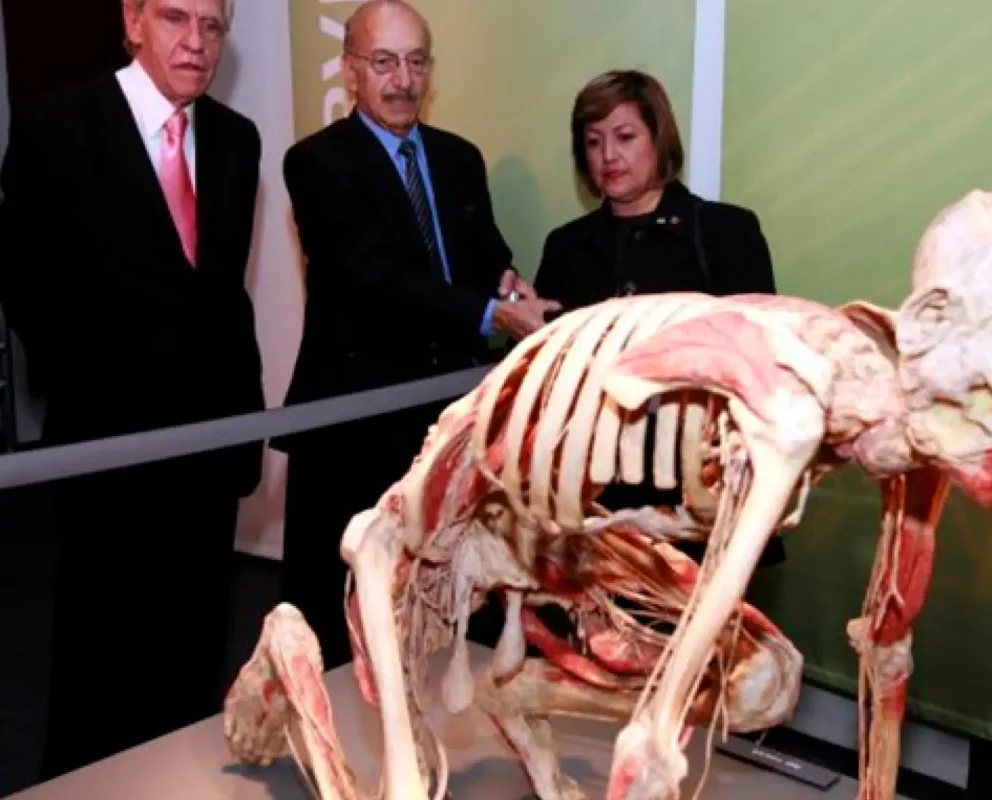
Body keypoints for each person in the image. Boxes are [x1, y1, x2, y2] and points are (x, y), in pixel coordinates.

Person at [0, 0, 265, 779]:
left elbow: (222, 298)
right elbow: (28, 289)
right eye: (176, 19)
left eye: (212, 27)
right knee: (101, 666)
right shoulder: (58, 127)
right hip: (109, 455)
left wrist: (236, 426)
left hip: (210, 449)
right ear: (134, 20)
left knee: (193, 654)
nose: (196, 42)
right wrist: (109, 395)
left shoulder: (236, 139)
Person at [272, 0, 560, 670]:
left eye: (416, 61)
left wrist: (510, 288)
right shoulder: (316, 163)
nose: (402, 80)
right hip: (356, 426)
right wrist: (491, 316)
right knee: (348, 612)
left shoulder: (459, 158)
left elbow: (485, 253)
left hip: (445, 426)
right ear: (349, 70)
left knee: (444, 605)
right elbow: (373, 275)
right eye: (383, 62)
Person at [534, 69, 785, 568]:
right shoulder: (566, 246)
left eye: (625, 137)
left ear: (659, 138)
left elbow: (762, 367)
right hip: (594, 507)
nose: (609, 156)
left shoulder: (725, 232)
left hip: (699, 500)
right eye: (593, 142)